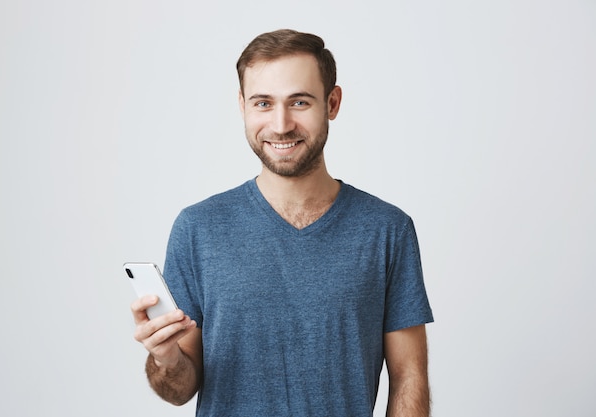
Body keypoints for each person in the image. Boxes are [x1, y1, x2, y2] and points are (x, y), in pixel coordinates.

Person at [131, 29, 434, 416]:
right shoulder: (198, 229)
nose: (280, 124)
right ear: (242, 106)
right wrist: (166, 359)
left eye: (300, 102)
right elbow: (178, 390)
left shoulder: (387, 229)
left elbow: (409, 377)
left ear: (332, 102)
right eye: (263, 103)